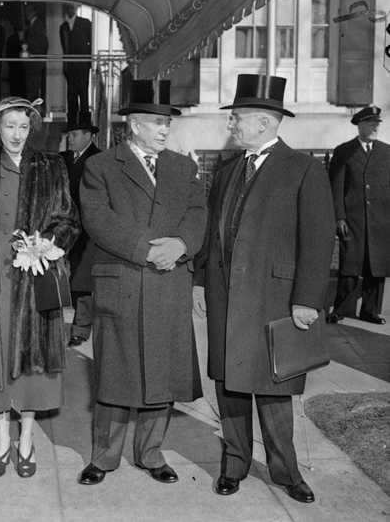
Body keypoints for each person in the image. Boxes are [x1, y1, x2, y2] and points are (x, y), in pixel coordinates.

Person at [194, 74, 335, 503]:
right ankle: (234, 464)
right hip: (226, 297)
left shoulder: (303, 169)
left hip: (275, 298)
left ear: (264, 122)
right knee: (230, 384)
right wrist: (201, 282)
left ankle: (285, 472)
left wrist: (307, 300)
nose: (231, 125)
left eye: (237, 118)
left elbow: (318, 237)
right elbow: (210, 232)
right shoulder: (227, 169)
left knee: (274, 390)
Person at [78, 80, 205, 486]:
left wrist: (182, 244)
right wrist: (145, 250)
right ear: (133, 125)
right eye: (155, 122)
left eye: (167, 122)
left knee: (161, 374)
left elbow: (199, 211)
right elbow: (97, 219)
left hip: (169, 282)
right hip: (125, 279)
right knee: (116, 373)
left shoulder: (183, 167)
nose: (165, 129)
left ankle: (151, 454)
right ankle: (104, 457)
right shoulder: (101, 166)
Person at [0, 97, 79, 479]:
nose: (16, 134)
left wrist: (47, 246)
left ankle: (26, 439)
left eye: (23, 127)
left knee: (31, 367)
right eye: (9, 126)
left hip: (35, 280)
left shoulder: (52, 168)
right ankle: (2, 440)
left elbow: (68, 220)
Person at [327, 106, 389, 325]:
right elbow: (336, 187)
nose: (375, 127)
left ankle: (370, 311)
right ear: (360, 125)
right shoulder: (344, 151)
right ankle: (341, 309)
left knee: (377, 266)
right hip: (353, 220)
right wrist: (339, 217)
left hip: (381, 221)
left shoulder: (386, 152)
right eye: (370, 123)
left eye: (377, 124)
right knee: (350, 265)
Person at [59, 111, 101, 347]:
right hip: (68, 228)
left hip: (88, 231)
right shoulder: (65, 159)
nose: (70, 139)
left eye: (74, 134)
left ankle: (80, 328)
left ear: (88, 135)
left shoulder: (99, 159)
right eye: (69, 134)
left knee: (83, 281)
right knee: (72, 278)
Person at [59, 4, 92, 127]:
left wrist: (89, 61)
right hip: (70, 66)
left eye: (72, 7)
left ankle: (85, 123)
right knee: (71, 94)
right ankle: (72, 122)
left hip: (82, 65)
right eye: (68, 8)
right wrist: (66, 65)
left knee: (83, 93)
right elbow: (65, 48)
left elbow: (91, 43)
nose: (70, 9)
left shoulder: (85, 23)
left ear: (76, 9)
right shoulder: (63, 27)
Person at [23, 4, 48, 102]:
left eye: (28, 11)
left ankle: (33, 110)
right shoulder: (31, 25)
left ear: (33, 12)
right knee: (31, 88)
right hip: (31, 62)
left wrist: (27, 45)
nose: (26, 14)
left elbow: (43, 44)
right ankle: (32, 108)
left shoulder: (38, 25)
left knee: (33, 89)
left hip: (35, 62)